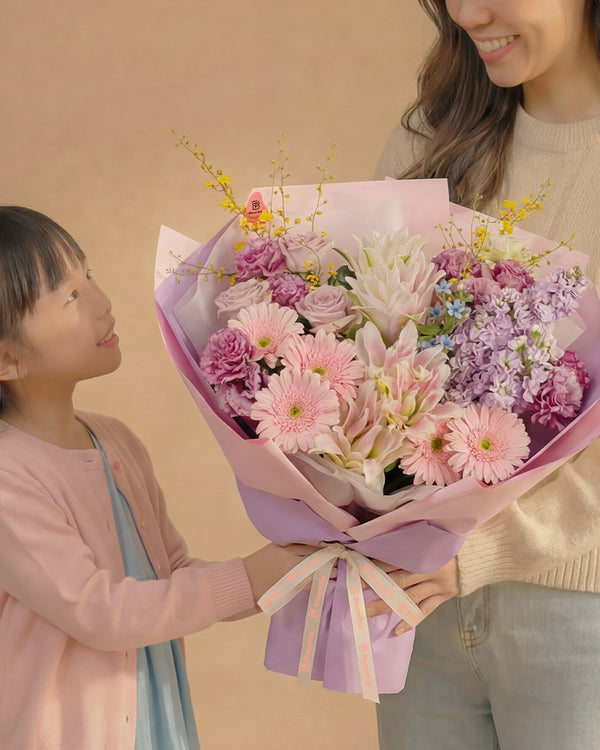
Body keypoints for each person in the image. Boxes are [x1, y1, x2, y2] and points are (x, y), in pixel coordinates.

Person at [0, 205, 315, 749]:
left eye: (88, 275)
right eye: (69, 296)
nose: (102, 302)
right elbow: (99, 611)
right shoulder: (10, 478)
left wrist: (293, 571)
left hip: (153, 716)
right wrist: (247, 577)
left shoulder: (114, 440)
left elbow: (171, 576)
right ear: (6, 359)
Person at [370, 1, 600, 747]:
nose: (469, 12)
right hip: (421, 607)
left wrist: (480, 552)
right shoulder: (434, 138)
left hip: (577, 617)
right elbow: (366, 354)